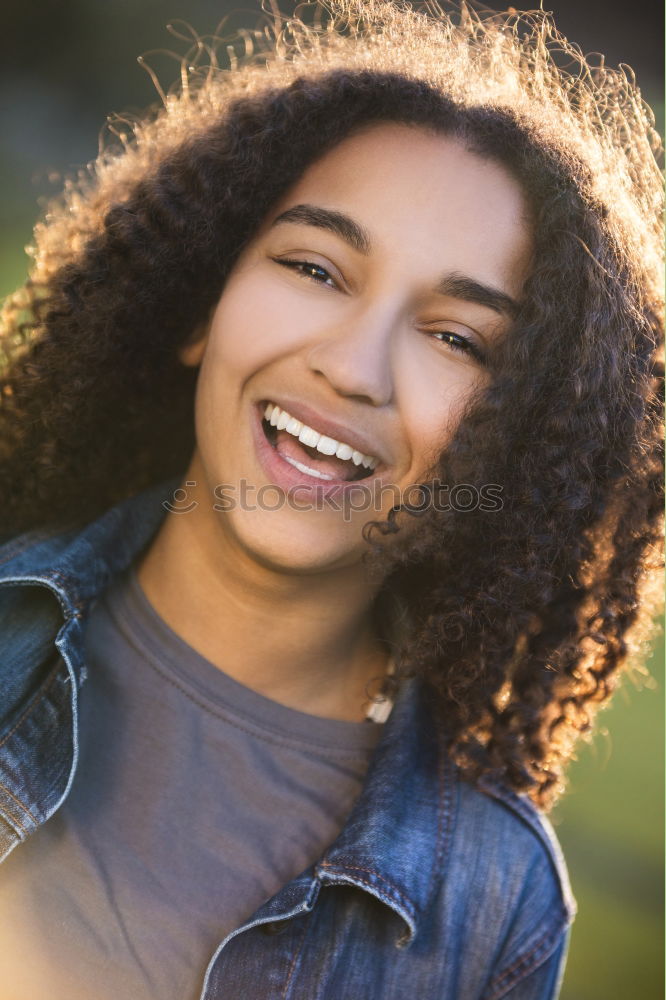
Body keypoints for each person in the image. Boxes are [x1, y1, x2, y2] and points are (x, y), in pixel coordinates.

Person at [0, 1, 662, 997]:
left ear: (515, 441)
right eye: (314, 268)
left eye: (457, 338)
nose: (353, 368)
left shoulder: (494, 901)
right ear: (199, 305)